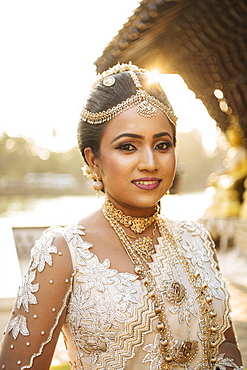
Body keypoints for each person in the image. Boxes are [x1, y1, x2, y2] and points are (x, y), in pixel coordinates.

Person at [0, 63, 243, 370]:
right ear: (94, 159)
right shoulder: (65, 252)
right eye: (128, 147)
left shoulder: (196, 239)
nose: (150, 162)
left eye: (162, 145)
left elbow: (226, 343)